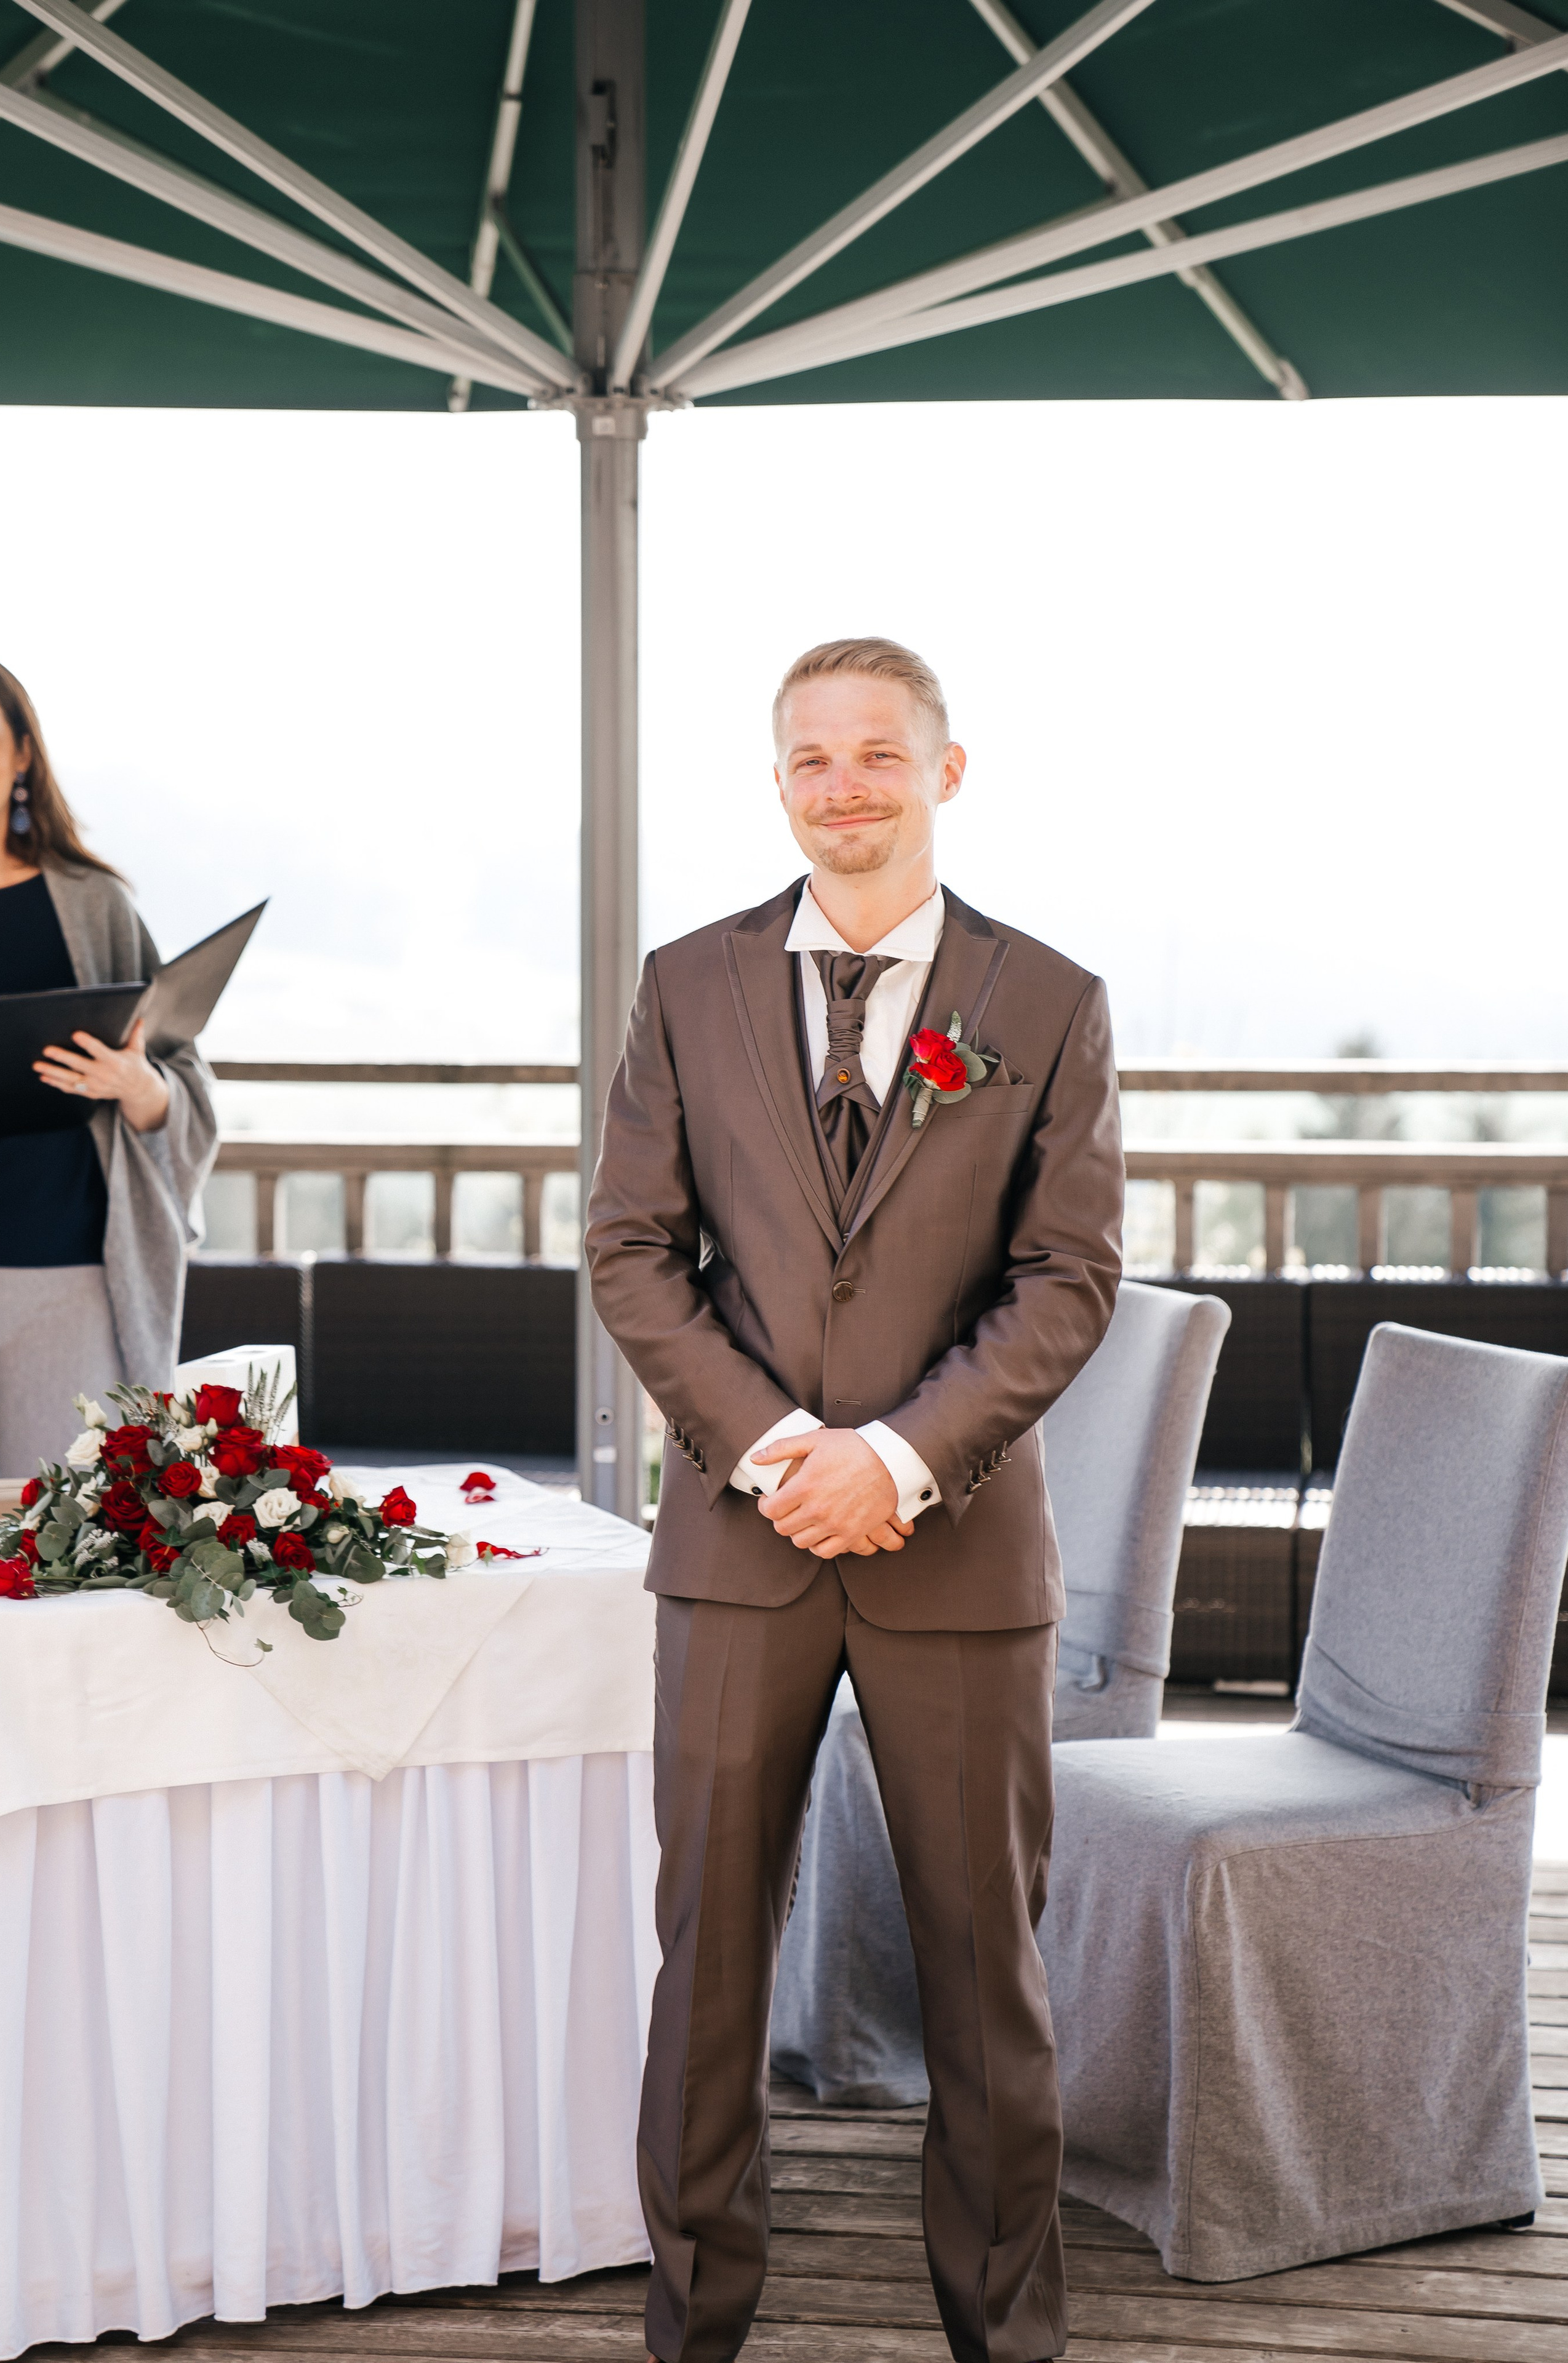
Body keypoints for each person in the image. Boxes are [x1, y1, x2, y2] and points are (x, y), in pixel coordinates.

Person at [586, 637, 1124, 2363]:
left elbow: (1067, 1280)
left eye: (878, 755)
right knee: (709, 1968)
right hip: (739, 1552)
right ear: (779, 780)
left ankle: (1003, 2332)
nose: (844, 788)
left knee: (987, 1977)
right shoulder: (686, 984)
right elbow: (630, 1249)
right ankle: (697, 2322)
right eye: (810, 758)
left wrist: (891, 1460)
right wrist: (777, 1455)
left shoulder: (1046, 1001)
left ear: (944, 773)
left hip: (955, 1553)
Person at [0, 660, 215, 1479]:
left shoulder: (95, 907)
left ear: (23, 757)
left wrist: (141, 1089)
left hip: (71, 1280)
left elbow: (177, 1074)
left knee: (64, 1548)